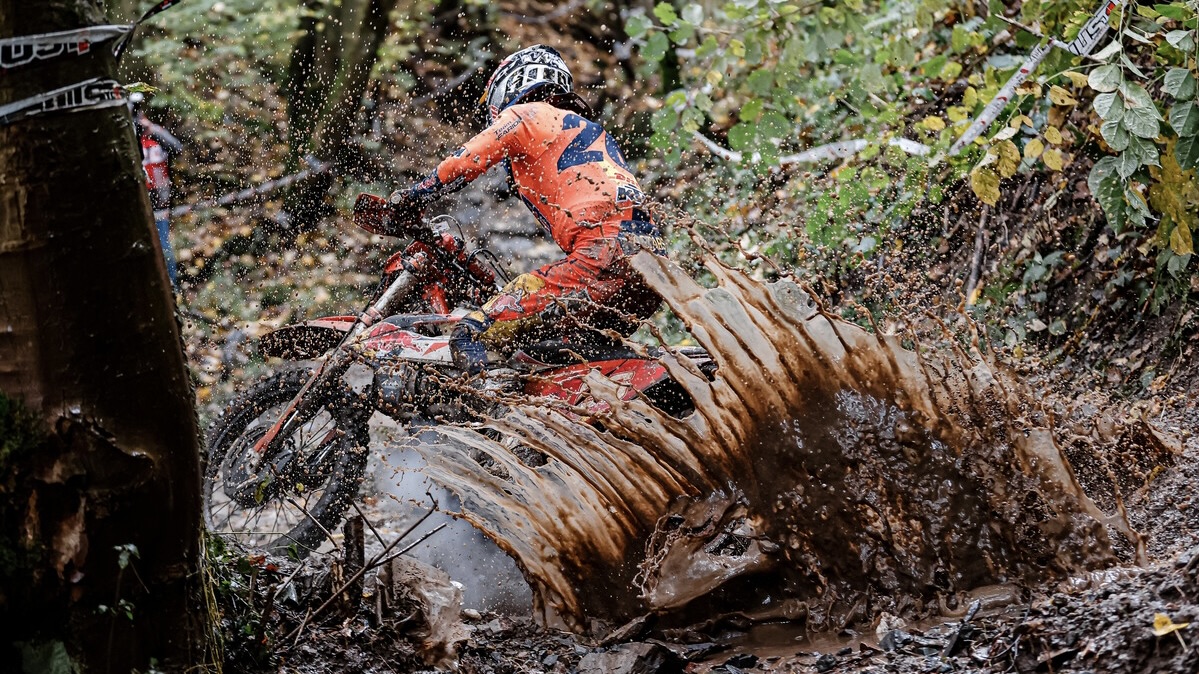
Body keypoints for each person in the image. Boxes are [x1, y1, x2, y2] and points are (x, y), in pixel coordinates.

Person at [389, 45, 666, 374]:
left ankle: (483, 412)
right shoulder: (588, 131)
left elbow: (468, 159)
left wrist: (413, 195)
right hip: (655, 271)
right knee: (551, 346)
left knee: (471, 331)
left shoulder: (529, 114)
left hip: (600, 255)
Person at [131, 93, 184, 288]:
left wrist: (150, 129)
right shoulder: (130, 140)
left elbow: (177, 148)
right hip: (140, 203)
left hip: (160, 202)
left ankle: (172, 289)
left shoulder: (154, 134)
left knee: (164, 249)